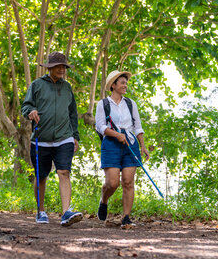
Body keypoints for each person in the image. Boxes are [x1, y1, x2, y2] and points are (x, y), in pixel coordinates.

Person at [21, 51, 83, 226]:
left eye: (64, 66)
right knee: (41, 176)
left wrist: (75, 136)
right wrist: (30, 112)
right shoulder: (37, 85)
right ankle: (40, 211)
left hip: (64, 138)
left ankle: (65, 213)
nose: (62, 69)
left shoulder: (67, 87)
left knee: (64, 172)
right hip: (41, 138)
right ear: (50, 68)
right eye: (59, 66)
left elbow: (72, 114)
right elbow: (26, 106)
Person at [95, 70, 150, 229]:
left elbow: (138, 127)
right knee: (112, 183)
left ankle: (126, 218)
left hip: (130, 143)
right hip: (111, 143)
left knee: (128, 181)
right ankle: (103, 201)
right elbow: (100, 126)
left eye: (126, 83)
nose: (125, 85)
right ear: (113, 85)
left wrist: (143, 146)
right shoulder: (103, 104)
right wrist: (116, 135)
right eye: (122, 82)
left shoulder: (131, 104)